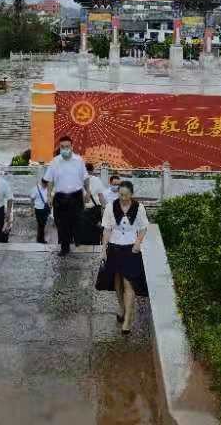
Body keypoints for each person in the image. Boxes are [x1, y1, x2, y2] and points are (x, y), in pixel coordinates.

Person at [100, 180, 149, 334]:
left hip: (131, 249)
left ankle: (127, 319)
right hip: (114, 248)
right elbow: (107, 229)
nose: (123, 198)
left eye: (126, 195)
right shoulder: (111, 207)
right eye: (121, 195)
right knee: (117, 281)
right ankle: (121, 307)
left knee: (128, 283)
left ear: (131, 194)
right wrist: (104, 249)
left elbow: (143, 228)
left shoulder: (139, 208)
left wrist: (138, 243)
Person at [44, 136, 90, 256]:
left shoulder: (79, 160)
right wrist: (49, 195)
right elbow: (50, 180)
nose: (65, 149)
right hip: (60, 197)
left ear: (72, 147)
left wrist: (88, 191)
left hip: (76, 196)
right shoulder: (55, 162)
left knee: (77, 221)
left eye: (67, 146)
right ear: (59, 147)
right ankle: (65, 248)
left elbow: (85, 178)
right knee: (61, 224)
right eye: (62, 147)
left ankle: (77, 240)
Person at [29, 178, 51, 244]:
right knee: (41, 224)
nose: (47, 185)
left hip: (45, 208)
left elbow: (47, 197)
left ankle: (39, 239)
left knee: (43, 224)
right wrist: (32, 210)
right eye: (46, 184)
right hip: (38, 209)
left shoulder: (46, 188)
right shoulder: (35, 189)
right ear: (43, 183)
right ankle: (41, 239)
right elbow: (32, 200)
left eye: (47, 184)